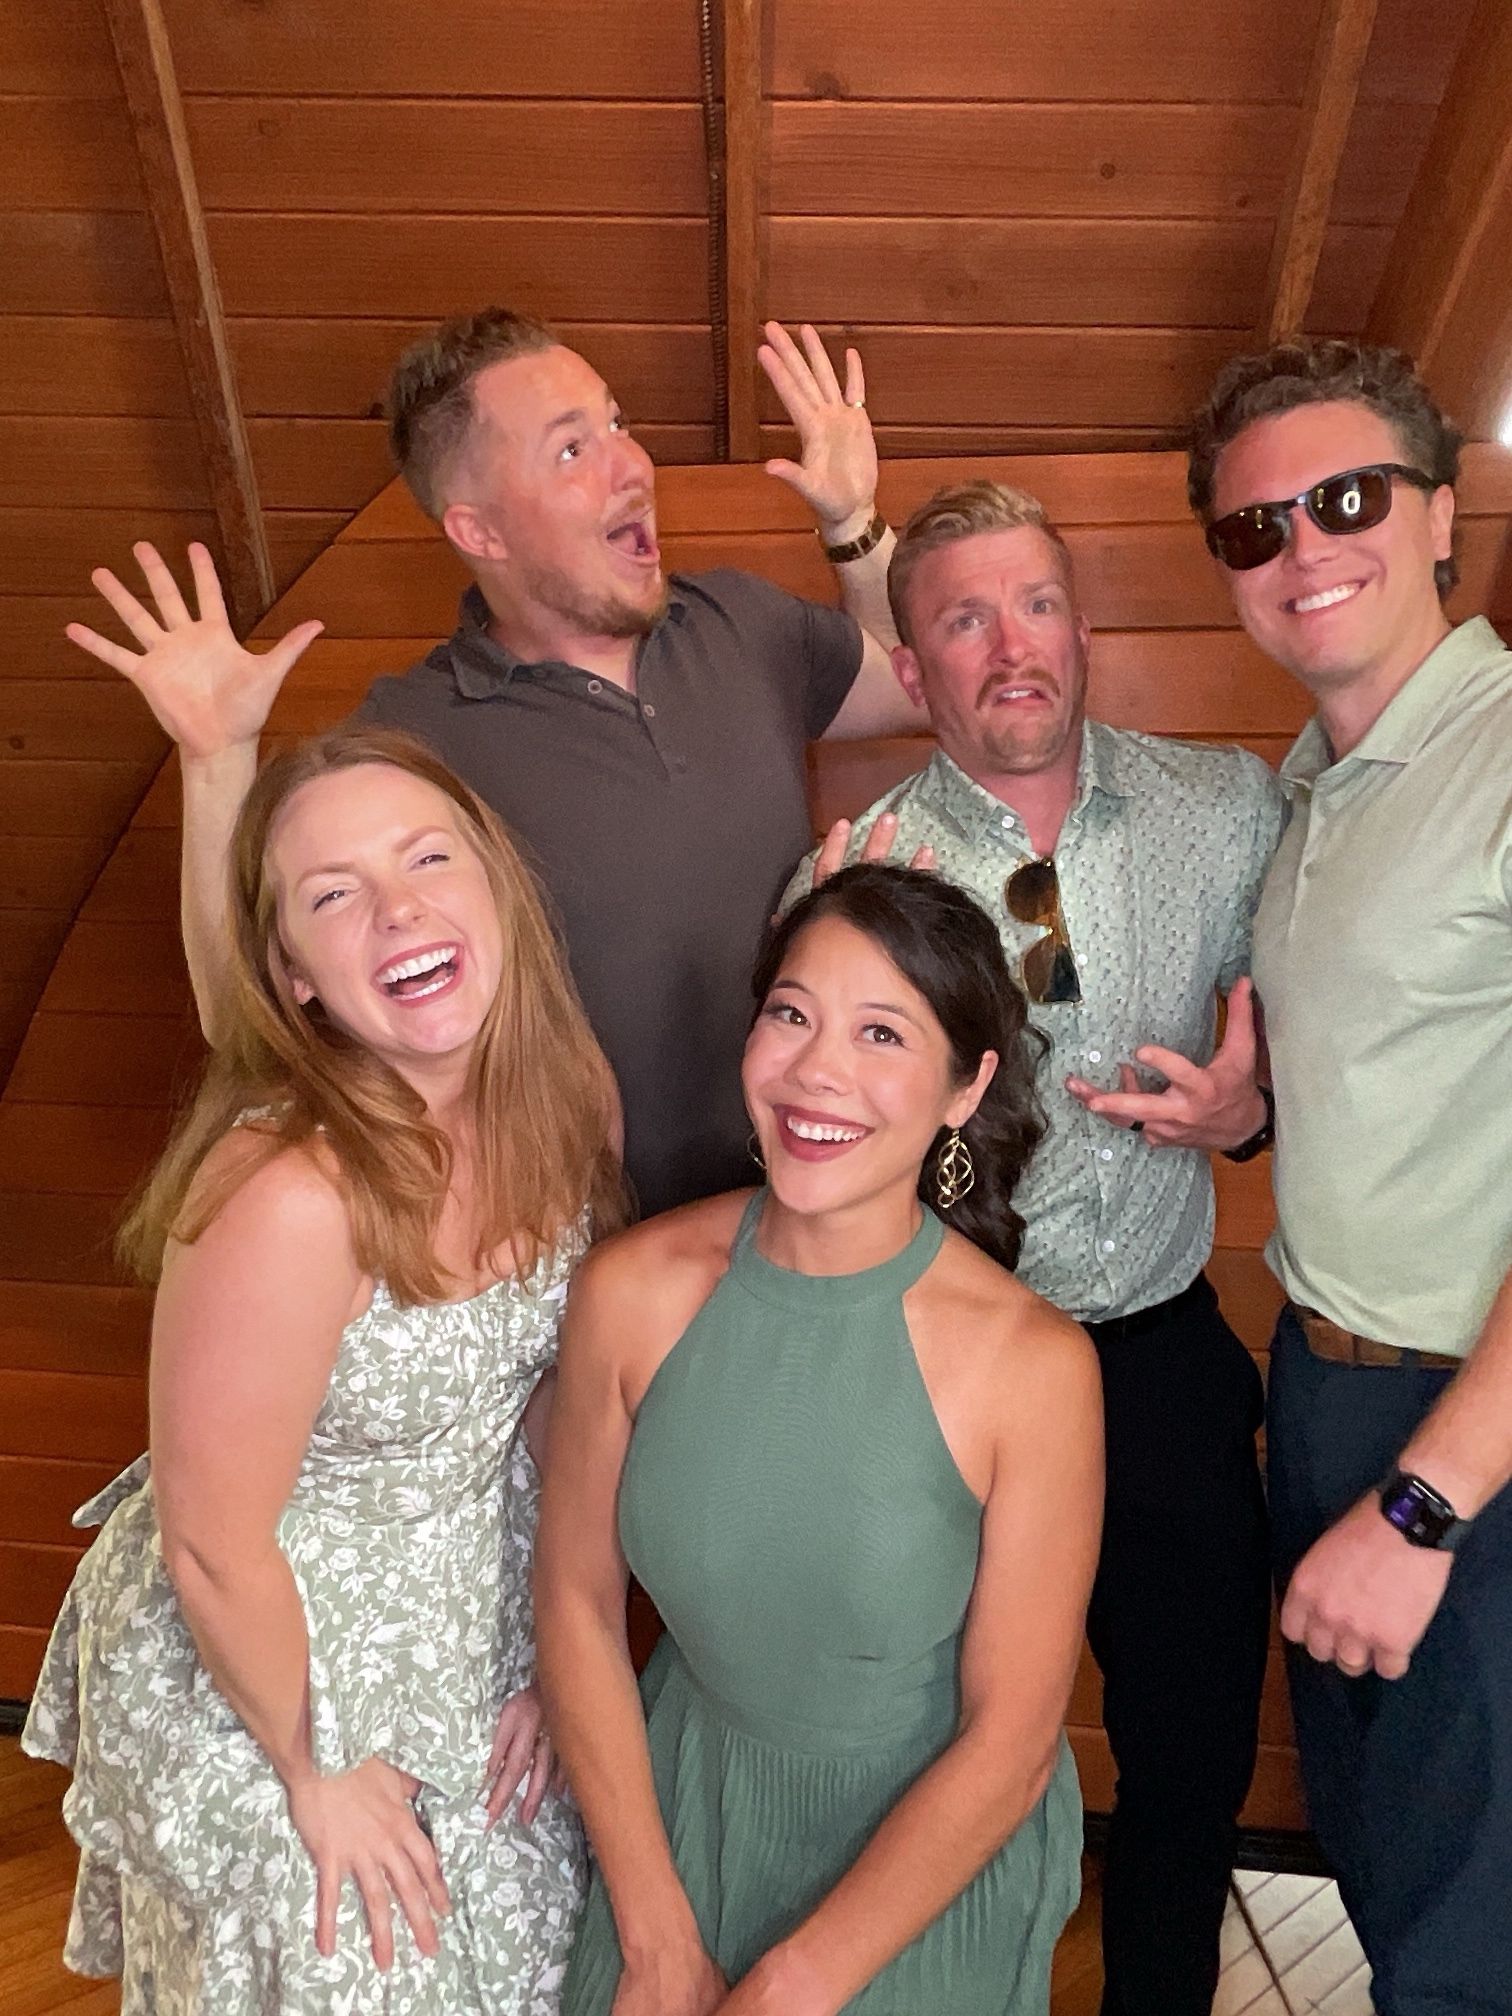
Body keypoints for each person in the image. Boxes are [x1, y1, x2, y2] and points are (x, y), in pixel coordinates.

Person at [23, 718, 625, 2013]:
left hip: (477, 1598)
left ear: (498, 889)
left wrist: (554, 1649)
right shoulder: (290, 1195)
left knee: (536, 1954)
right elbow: (211, 1546)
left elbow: (546, 1404)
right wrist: (316, 1771)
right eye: (334, 895)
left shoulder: (571, 1095)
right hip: (270, 1644)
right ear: (295, 976)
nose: (399, 910)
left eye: (429, 858)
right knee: (356, 1961)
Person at [783, 481, 1285, 2016]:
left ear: (1080, 627)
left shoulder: (1230, 807)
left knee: (1192, 1756)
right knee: (924, 1758)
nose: (1013, 646)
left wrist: (1250, 1110)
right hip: (936, 1389)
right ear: (912, 669)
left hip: (1159, 1370)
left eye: (1038, 604)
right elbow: (816, 1156)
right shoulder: (863, 869)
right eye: (964, 619)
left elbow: (1310, 1041)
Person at [66, 316, 920, 1218]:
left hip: (811, 1211)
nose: (633, 466)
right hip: (591, 1257)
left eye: (618, 424)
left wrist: (852, 525)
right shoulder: (409, 741)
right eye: (572, 449)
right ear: (480, 530)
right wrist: (215, 757)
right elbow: (245, 1012)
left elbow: (913, 687)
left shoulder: (741, 621)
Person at [535, 862, 1103, 2016]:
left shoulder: (1034, 1367)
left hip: (929, 1858)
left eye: (882, 1033)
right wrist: (654, 1935)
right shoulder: (630, 1291)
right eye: (792, 1015)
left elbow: (1012, 1737)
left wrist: (798, 1982)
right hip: (679, 1817)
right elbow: (576, 1604)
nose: (817, 1072)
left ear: (966, 1087)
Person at [1188, 338, 1512, 2013]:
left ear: (1441, 514)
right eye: (1255, 527)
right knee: (1392, 1887)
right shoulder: (1310, 794)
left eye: (1347, 500)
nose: (1302, 548)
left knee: (1472, 1941)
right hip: (1326, 1387)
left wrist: (1426, 1501)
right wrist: (1248, 1114)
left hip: (1470, 1433)